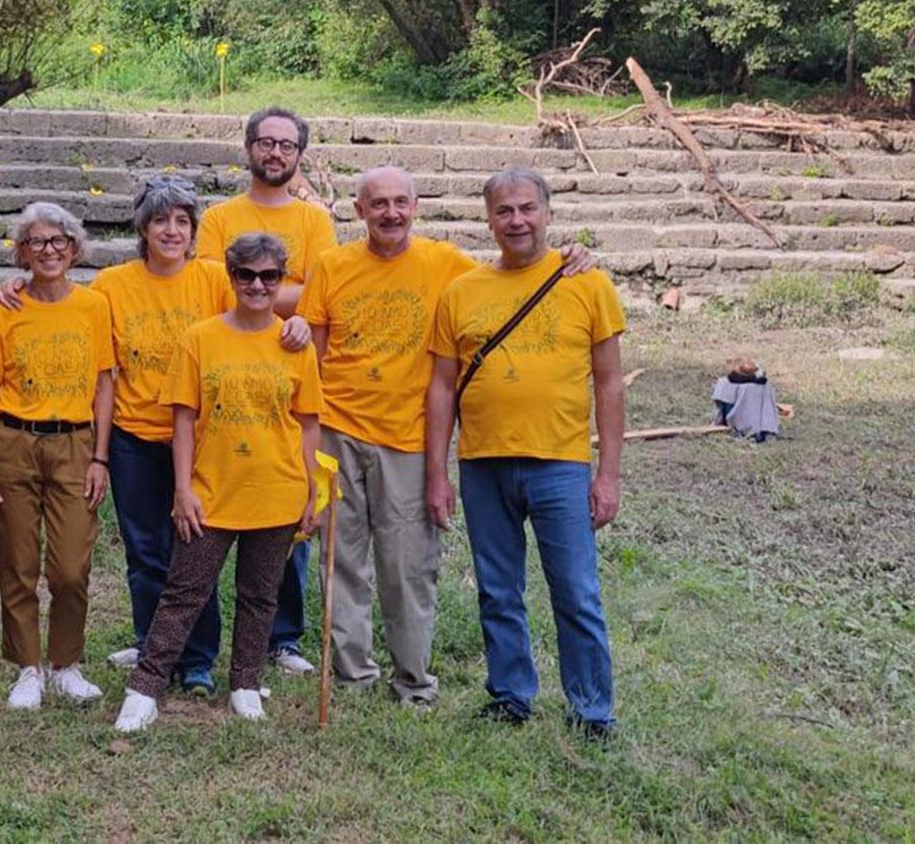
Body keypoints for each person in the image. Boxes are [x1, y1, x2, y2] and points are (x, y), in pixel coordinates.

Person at [299, 166, 597, 706]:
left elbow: (511, 276)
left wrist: (571, 259)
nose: (390, 213)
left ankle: (413, 680)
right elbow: (312, 361)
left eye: (400, 202)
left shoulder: (447, 266)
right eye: (378, 203)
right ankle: (352, 673)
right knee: (339, 558)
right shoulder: (331, 267)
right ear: (358, 210)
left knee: (409, 563)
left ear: (416, 207)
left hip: (408, 436)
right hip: (337, 432)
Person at [424, 168, 626, 737]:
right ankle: (511, 694)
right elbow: (442, 386)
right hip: (482, 462)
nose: (517, 220)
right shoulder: (462, 291)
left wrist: (608, 475)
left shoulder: (586, 283)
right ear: (488, 219)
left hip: (560, 461)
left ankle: (591, 709)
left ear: (548, 213)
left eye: (527, 208)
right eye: (504, 211)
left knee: (576, 591)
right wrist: (436, 473)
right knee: (497, 587)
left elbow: (609, 383)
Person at [114, 233, 323, 732]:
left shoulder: (294, 343)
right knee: (184, 591)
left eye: (269, 276)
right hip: (212, 489)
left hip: (277, 486)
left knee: (260, 594)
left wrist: (312, 490)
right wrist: (183, 488)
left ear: (281, 281)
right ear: (230, 277)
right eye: (246, 275)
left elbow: (309, 421)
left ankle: (246, 682)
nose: (257, 285)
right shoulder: (200, 338)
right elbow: (183, 418)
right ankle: (145, 686)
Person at [194, 106, 337, 676]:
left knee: (287, 510)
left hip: (286, 367)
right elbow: (211, 287)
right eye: (266, 143)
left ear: (300, 154)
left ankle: (283, 638)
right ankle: (197, 644)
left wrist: (261, 296)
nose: (275, 154)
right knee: (208, 522)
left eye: (287, 146)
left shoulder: (314, 220)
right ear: (248, 147)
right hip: (226, 374)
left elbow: (320, 293)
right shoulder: (219, 216)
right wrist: (287, 295)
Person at [0, 203, 115, 710]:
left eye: (59, 241)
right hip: (12, 442)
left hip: (75, 443)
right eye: (37, 242)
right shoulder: (4, 309)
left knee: (71, 566)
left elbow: (103, 384)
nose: (48, 250)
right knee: (17, 561)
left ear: (74, 249)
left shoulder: (94, 306)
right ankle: (27, 667)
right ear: (22, 253)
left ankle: (66, 664)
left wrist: (101, 458)